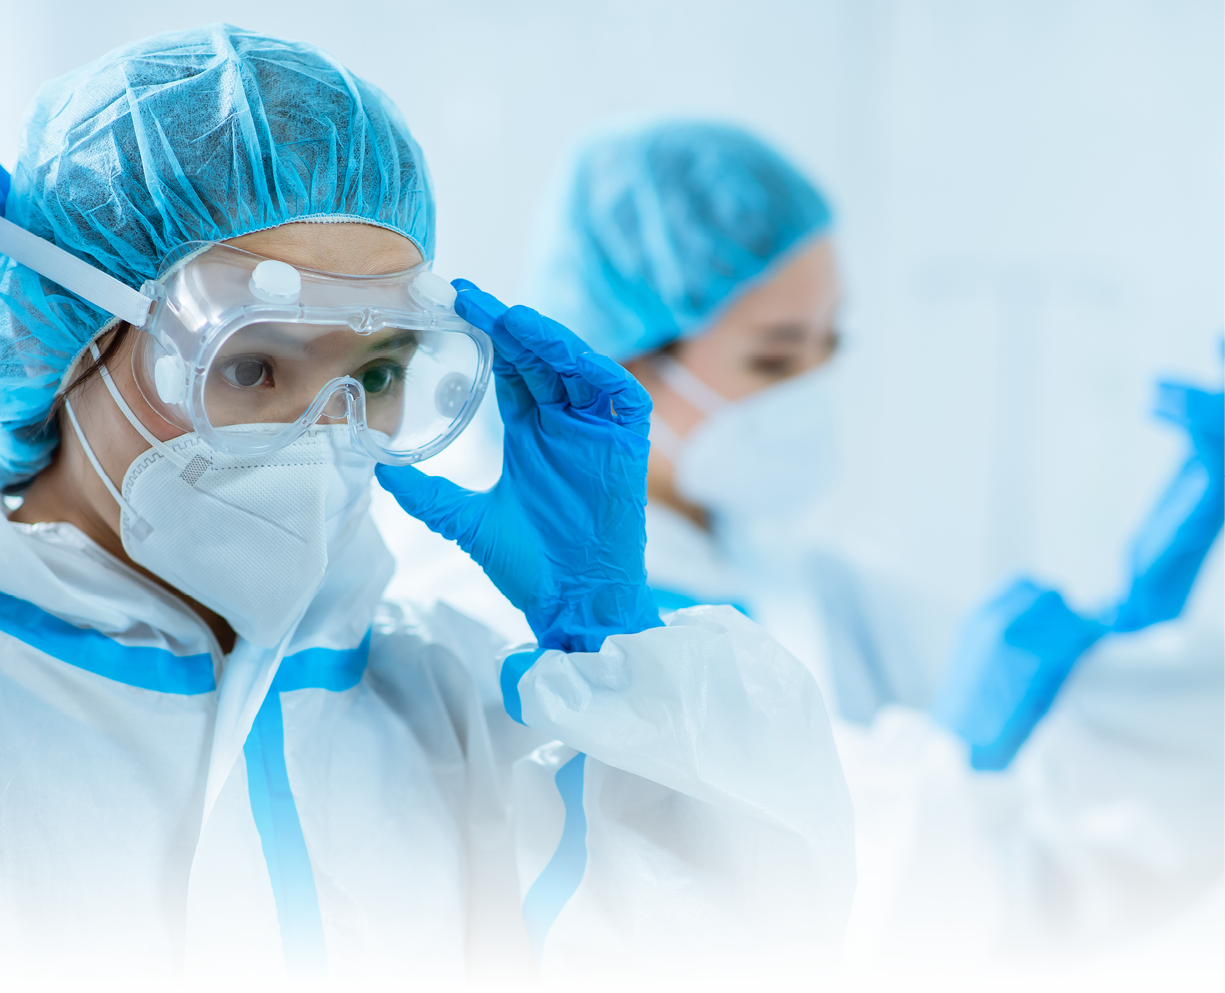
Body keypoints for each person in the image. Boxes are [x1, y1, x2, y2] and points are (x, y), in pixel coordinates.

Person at [0, 30, 857, 989]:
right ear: (60, 337)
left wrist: (618, 654)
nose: (324, 430)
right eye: (252, 366)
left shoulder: (439, 703)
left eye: (376, 370)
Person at [515, 119, 1225, 986]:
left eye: (830, 345)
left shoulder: (800, 581)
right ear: (615, 363)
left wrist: (1140, 657)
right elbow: (762, 955)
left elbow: (1037, 876)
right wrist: (951, 766)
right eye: (775, 359)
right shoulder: (535, 616)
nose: (809, 391)